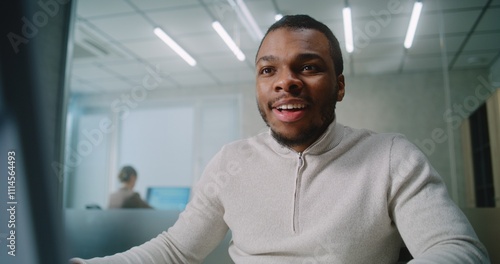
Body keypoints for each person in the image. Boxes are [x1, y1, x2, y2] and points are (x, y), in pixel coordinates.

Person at [71, 15, 489, 263]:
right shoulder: (229, 161)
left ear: (339, 85)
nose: (285, 82)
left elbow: (455, 248)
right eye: (268, 70)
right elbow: (176, 251)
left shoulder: (392, 156)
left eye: (307, 67)